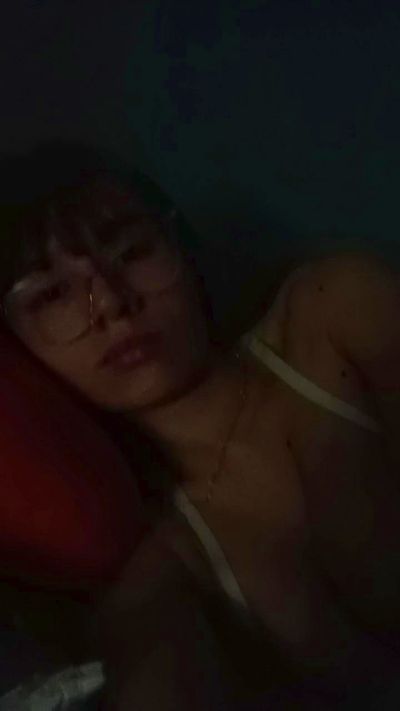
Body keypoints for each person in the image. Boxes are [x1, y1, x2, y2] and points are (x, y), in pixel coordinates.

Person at [1, 159, 400, 709]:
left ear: (182, 249)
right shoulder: (162, 560)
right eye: (52, 295)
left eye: (132, 253)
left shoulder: (334, 314)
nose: (113, 304)